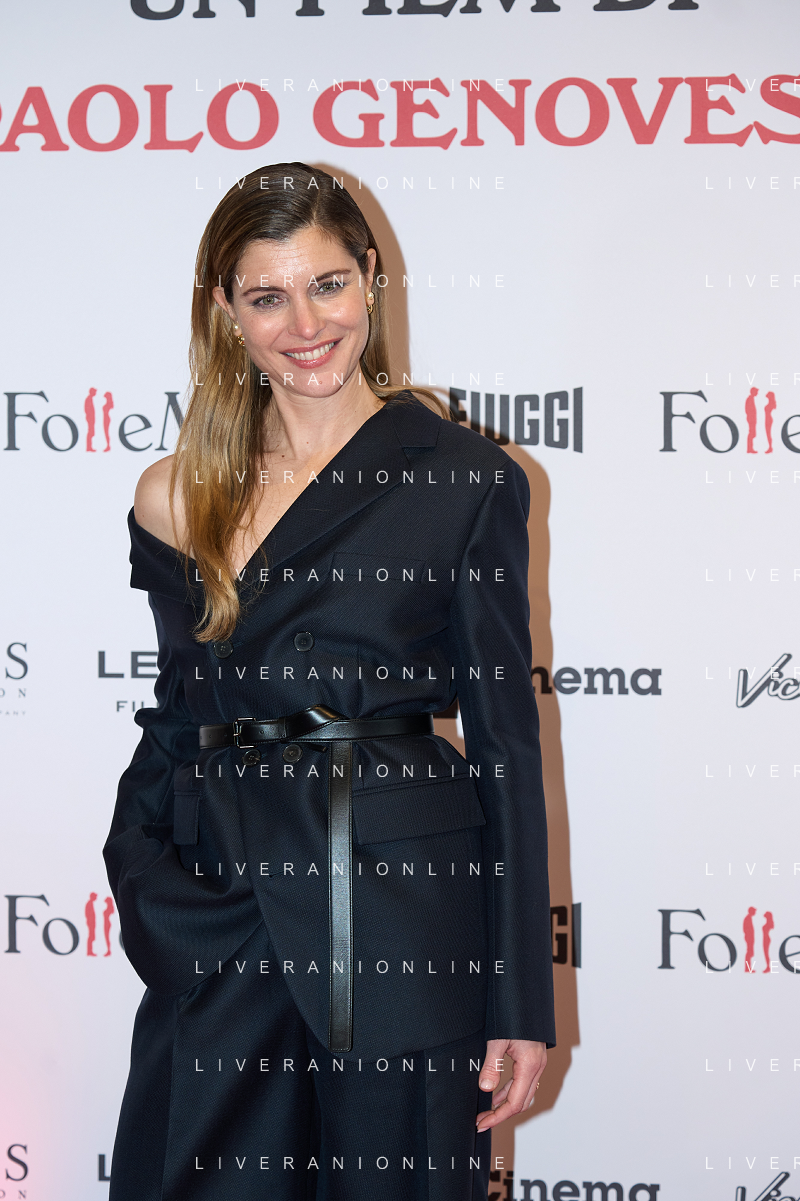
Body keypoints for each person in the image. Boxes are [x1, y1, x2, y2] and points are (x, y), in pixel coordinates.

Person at [104, 161, 555, 1201]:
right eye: (267, 296)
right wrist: (148, 886)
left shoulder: (465, 479)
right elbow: (175, 719)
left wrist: (518, 1000)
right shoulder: (178, 493)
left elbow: (505, 747)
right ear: (225, 312)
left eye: (328, 285)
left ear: (370, 280)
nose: (305, 325)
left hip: (399, 924)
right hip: (222, 908)